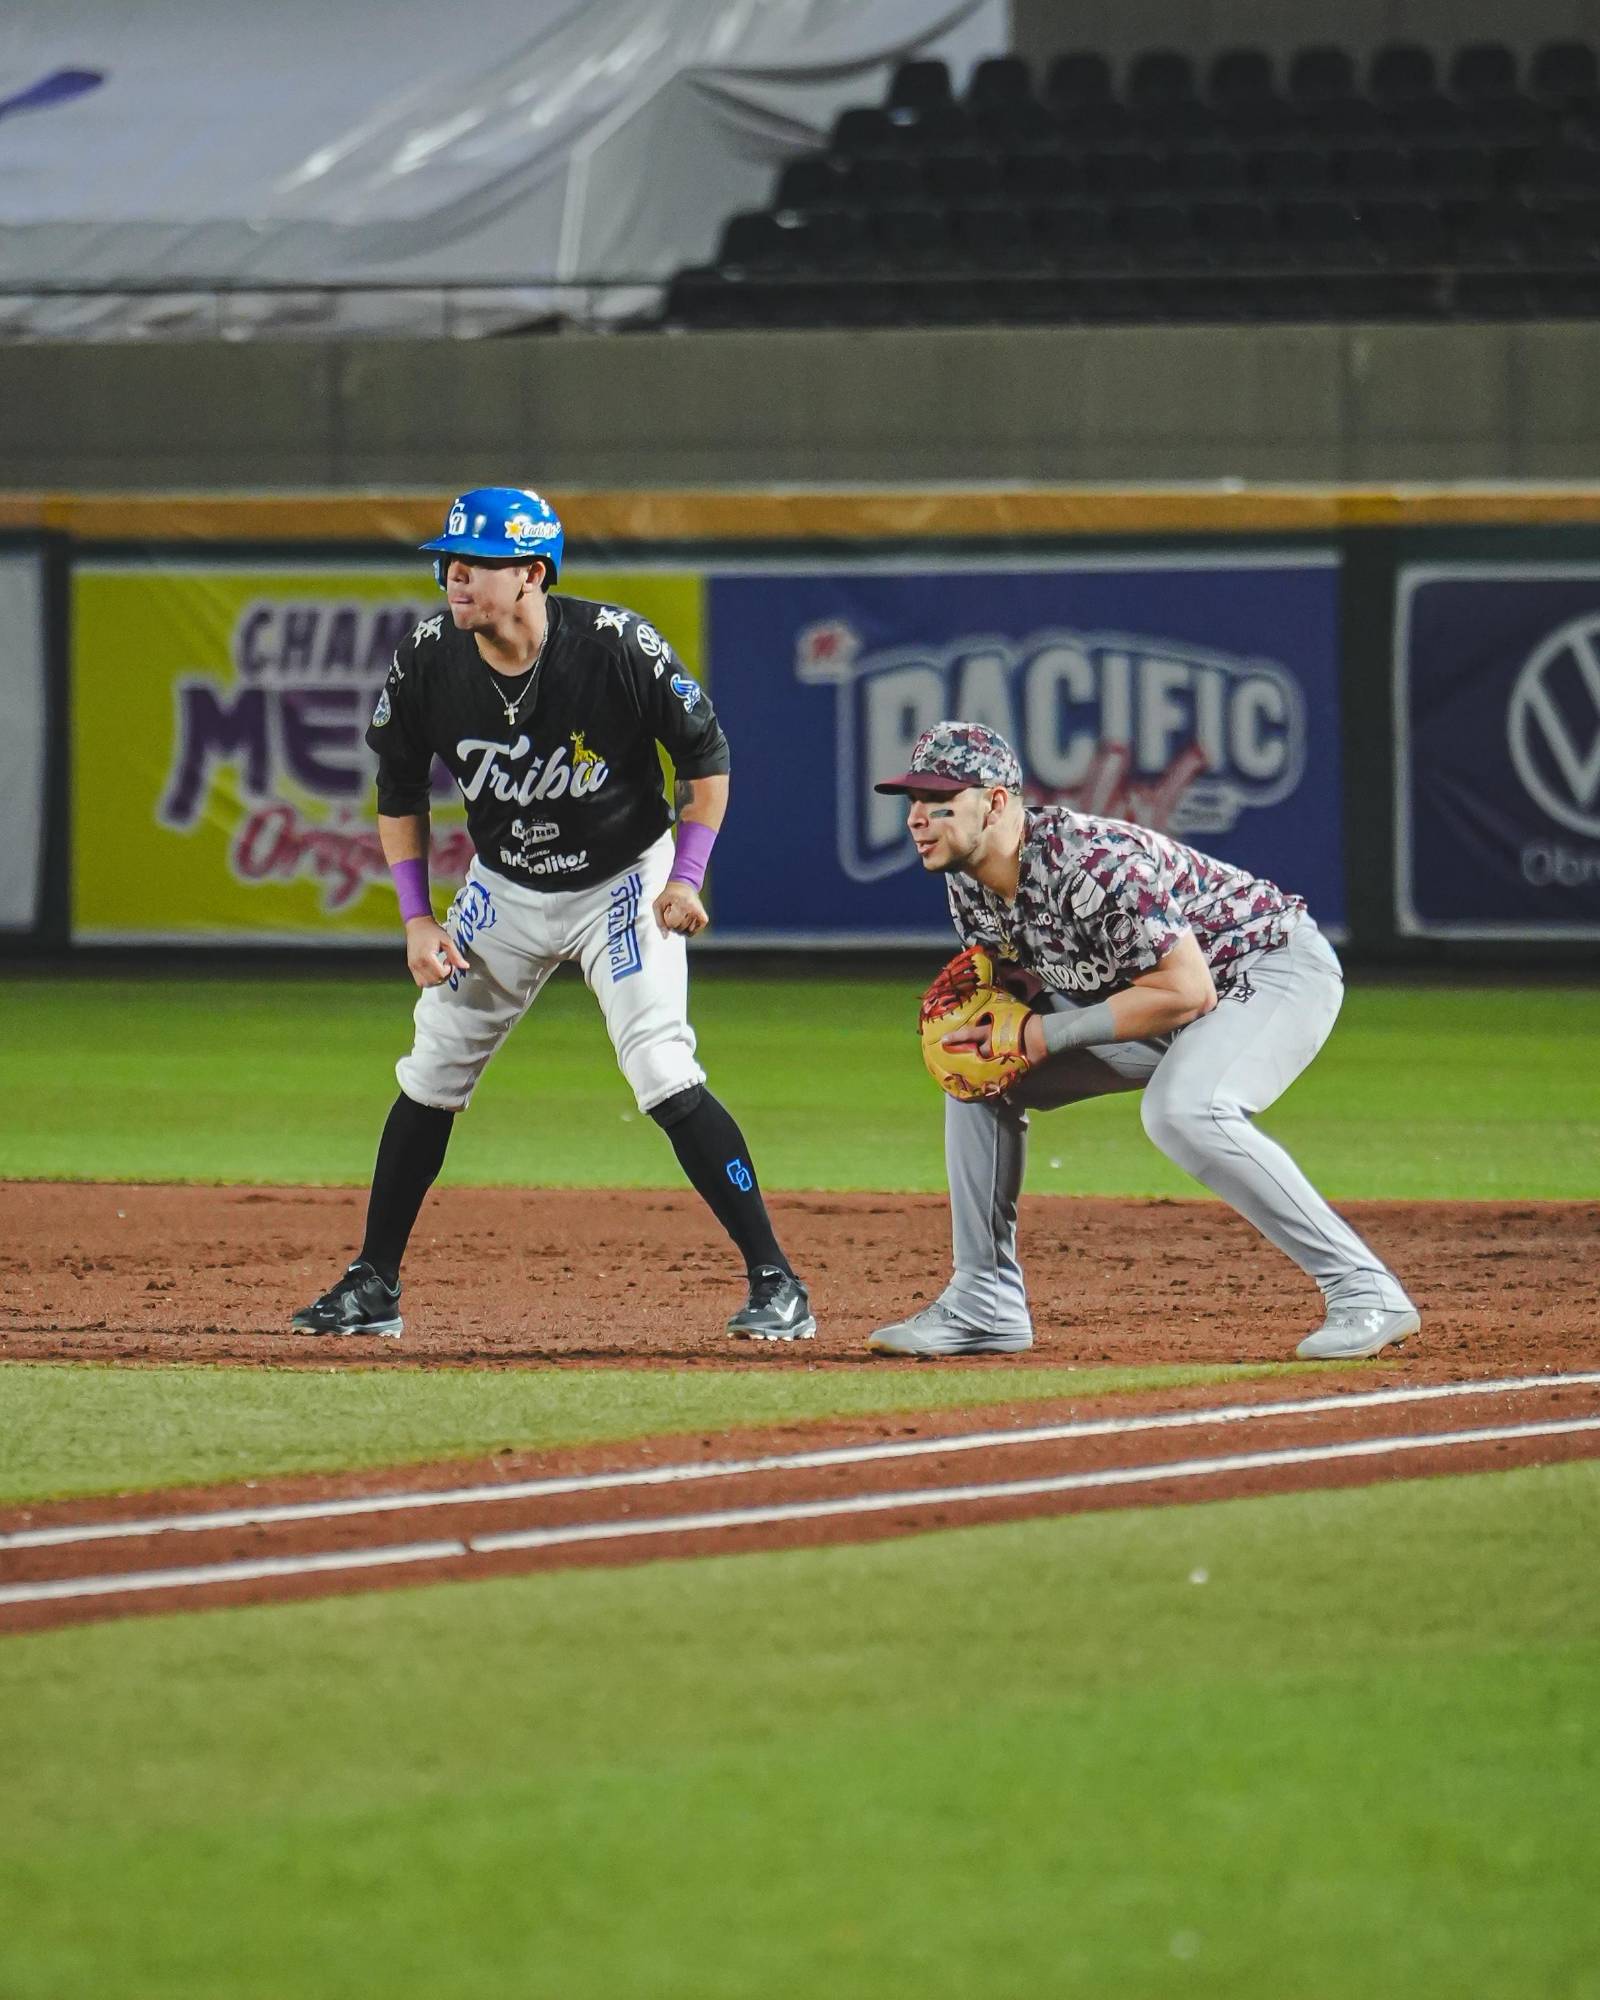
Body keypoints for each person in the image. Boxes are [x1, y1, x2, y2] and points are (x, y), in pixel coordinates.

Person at [292, 487, 814, 1343]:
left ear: (533, 574)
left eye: (478, 563)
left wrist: (687, 877)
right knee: (431, 1071)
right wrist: (417, 919)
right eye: (450, 561)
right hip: (505, 886)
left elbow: (705, 761)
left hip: (622, 881)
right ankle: (374, 1283)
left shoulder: (614, 646)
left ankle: (778, 1281)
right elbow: (398, 792)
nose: (455, 577)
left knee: (660, 1066)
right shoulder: (428, 656)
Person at [868, 720, 1419, 1362]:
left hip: (1265, 969)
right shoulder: (969, 881)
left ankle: (1364, 1290)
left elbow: (1188, 991)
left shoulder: (1091, 863)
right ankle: (983, 1301)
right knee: (979, 1071)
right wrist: (1000, 1021)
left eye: (938, 800)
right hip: (1160, 998)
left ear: (994, 802)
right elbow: (1025, 981)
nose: (916, 818)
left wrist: (1044, 1033)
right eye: (912, 801)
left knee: (1184, 1109)